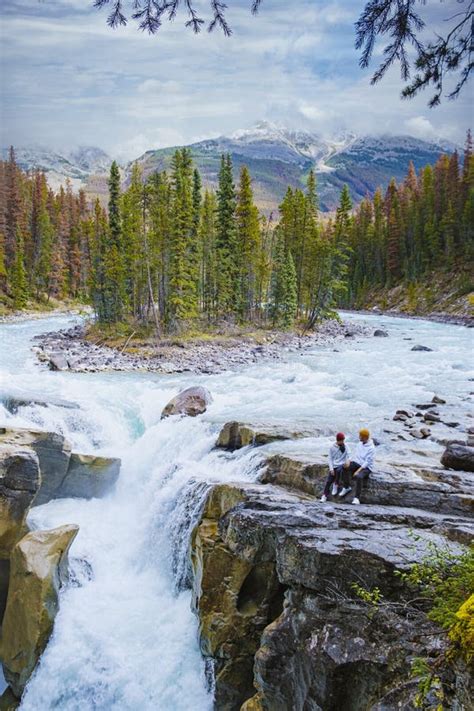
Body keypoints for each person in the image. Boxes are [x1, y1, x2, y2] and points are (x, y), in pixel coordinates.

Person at [338, 428, 375, 505]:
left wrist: (357, 471)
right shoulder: (359, 444)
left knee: (359, 476)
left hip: (366, 467)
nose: (359, 437)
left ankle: (357, 498)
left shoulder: (371, 448)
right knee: (344, 466)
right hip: (357, 463)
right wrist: (348, 461)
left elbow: (367, 462)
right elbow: (354, 455)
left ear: (365, 437)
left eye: (360, 436)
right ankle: (346, 487)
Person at [320, 432, 350, 502]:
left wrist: (347, 461)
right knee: (328, 481)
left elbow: (349, 454)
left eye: (343, 440)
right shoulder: (332, 447)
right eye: (341, 440)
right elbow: (330, 458)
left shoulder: (346, 446)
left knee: (339, 470)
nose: (343, 442)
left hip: (342, 465)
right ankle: (324, 495)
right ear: (337, 440)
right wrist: (331, 469)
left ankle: (336, 484)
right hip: (334, 465)